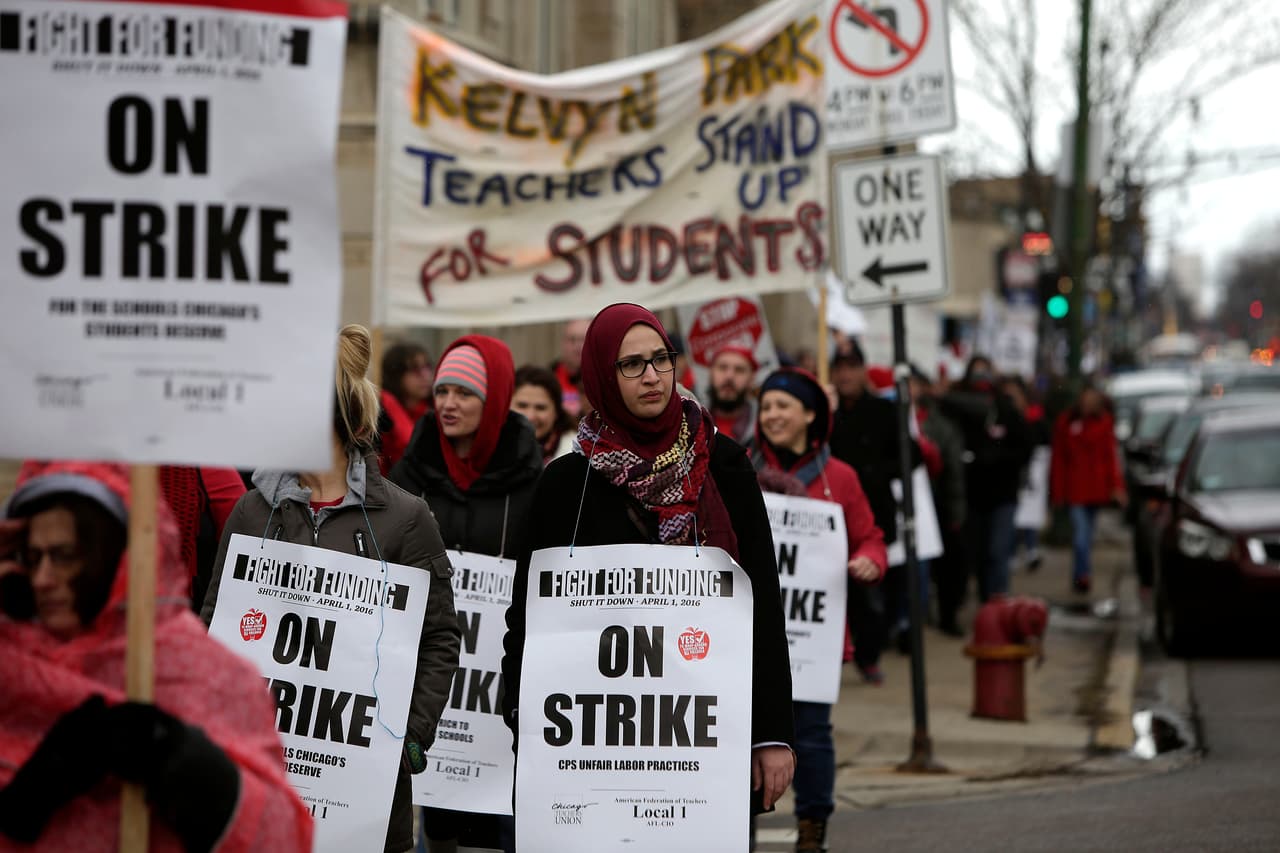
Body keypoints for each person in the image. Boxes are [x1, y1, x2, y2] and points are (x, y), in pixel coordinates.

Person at [501, 303, 796, 818]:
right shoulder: (567, 483)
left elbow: (763, 603)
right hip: (597, 743)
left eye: (661, 358)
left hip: (708, 728)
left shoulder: (723, 465)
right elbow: (527, 615)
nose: (653, 376)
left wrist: (772, 732)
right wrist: (521, 713)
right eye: (631, 364)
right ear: (600, 374)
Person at [200, 325, 461, 853]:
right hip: (261, 785)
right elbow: (214, 624)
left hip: (364, 796)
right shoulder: (253, 511)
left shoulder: (405, 518)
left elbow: (439, 639)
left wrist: (412, 735)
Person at [0, 460, 313, 852]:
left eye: (64, 555)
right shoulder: (9, 660)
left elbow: (281, 839)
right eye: (33, 557)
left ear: (112, 551)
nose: (44, 577)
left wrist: (197, 776)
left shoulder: (209, 675)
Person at [391, 336, 543, 852]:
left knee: (493, 814)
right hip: (427, 670)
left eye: (464, 393)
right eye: (442, 391)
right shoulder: (411, 471)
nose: (448, 404)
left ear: (494, 399)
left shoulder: (530, 479)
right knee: (434, 814)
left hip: (494, 677)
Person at [750, 368, 886, 853]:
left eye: (783, 406)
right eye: (766, 407)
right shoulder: (738, 466)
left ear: (811, 414)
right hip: (748, 634)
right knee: (742, 734)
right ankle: (738, 829)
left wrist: (869, 559)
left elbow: (870, 534)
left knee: (810, 735)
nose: (772, 416)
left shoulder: (841, 478)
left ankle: (811, 832)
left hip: (812, 637)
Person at [827, 340, 918, 682]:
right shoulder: (828, 414)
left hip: (873, 516)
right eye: (840, 368)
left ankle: (869, 655)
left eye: (852, 367)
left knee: (872, 596)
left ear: (863, 371)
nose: (845, 374)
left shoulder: (883, 412)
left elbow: (913, 456)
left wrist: (877, 472)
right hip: (833, 518)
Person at [941, 356, 1033, 603]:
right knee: (979, 553)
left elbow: (1023, 448)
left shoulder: (1005, 409)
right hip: (974, 496)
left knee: (997, 551)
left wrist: (997, 457)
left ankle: (997, 601)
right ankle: (987, 600)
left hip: (1002, 495)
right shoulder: (959, 410)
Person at [909, 365, 968, 637]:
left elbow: (953, 472)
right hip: (905, 505)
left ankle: (946, 614)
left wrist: (956, 511)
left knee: (946, 567)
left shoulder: (941, 424)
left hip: (936, 503)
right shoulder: (892, 418)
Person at [1050, 384, 1126, 593]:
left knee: (1086, 536)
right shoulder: (1066, 422)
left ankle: (1079, 574)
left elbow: (1111, 458)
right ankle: (1083, 575)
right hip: (1075, 490)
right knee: (1081, 536)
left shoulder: (1103, 423)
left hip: (1096, 489)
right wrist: (1057, 491)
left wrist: (1116, 487)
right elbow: (1059, 459)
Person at [379, 341, 434, 474]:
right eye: (415, 368)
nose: (425, 375)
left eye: (427, 367)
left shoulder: (437, 411)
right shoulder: (381, 416)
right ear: (396, 375)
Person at [512, 364, 576, 465]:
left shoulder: (575, 453)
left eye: (540, 408)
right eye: (522, 405)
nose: (530, 416)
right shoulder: (492, 448)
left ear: (557, 412)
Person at [706, 345, 759, 445]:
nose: (729, 376)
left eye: (739, 370)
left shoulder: (765, 432)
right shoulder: (689, 423)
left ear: (752, 379)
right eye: (722, 367)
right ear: (710, 374)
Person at [551, 317, 591, 420]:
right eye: (572, 340)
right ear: (563, 343)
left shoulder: (605, 380)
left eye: (584, 340)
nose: (578, 347)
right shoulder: (549, 376)